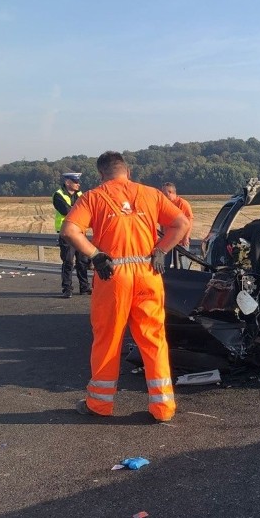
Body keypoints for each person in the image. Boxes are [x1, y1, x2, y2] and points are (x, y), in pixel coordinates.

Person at [61, 151, 190, 422]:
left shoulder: (94, 197)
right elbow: (181, 223)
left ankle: (100, 404)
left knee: (108, 339)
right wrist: (162, 250)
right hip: (148, 271)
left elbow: (70, 231)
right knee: (153, 339)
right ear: (127, 172)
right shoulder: (151, 194)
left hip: (113, 275)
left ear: (101, 175)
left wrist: (96, 256)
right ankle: (163, 408)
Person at [52, 172, 91, 298]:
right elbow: (66, 211)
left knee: (82, 261)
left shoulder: (80, 194)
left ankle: (84, 287)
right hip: (67, 234)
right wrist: (78, 209)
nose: (78, 184)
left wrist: (75, 209)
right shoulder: (58, 195)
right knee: (68, 261)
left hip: (80, 232)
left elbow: (87, 211)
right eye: (75, 182)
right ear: (68, 182)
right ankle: (67, 288)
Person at [160, 181, 194, 268]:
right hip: (168, 239)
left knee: (184, 264)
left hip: (181, 240)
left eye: (164, 193)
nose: (162, 195)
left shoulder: (182, 203)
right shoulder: (164, 204)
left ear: (171, 192)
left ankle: (185, 278)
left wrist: (186, 237)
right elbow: (162, 222)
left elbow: (189, 221)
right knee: (166, 264)